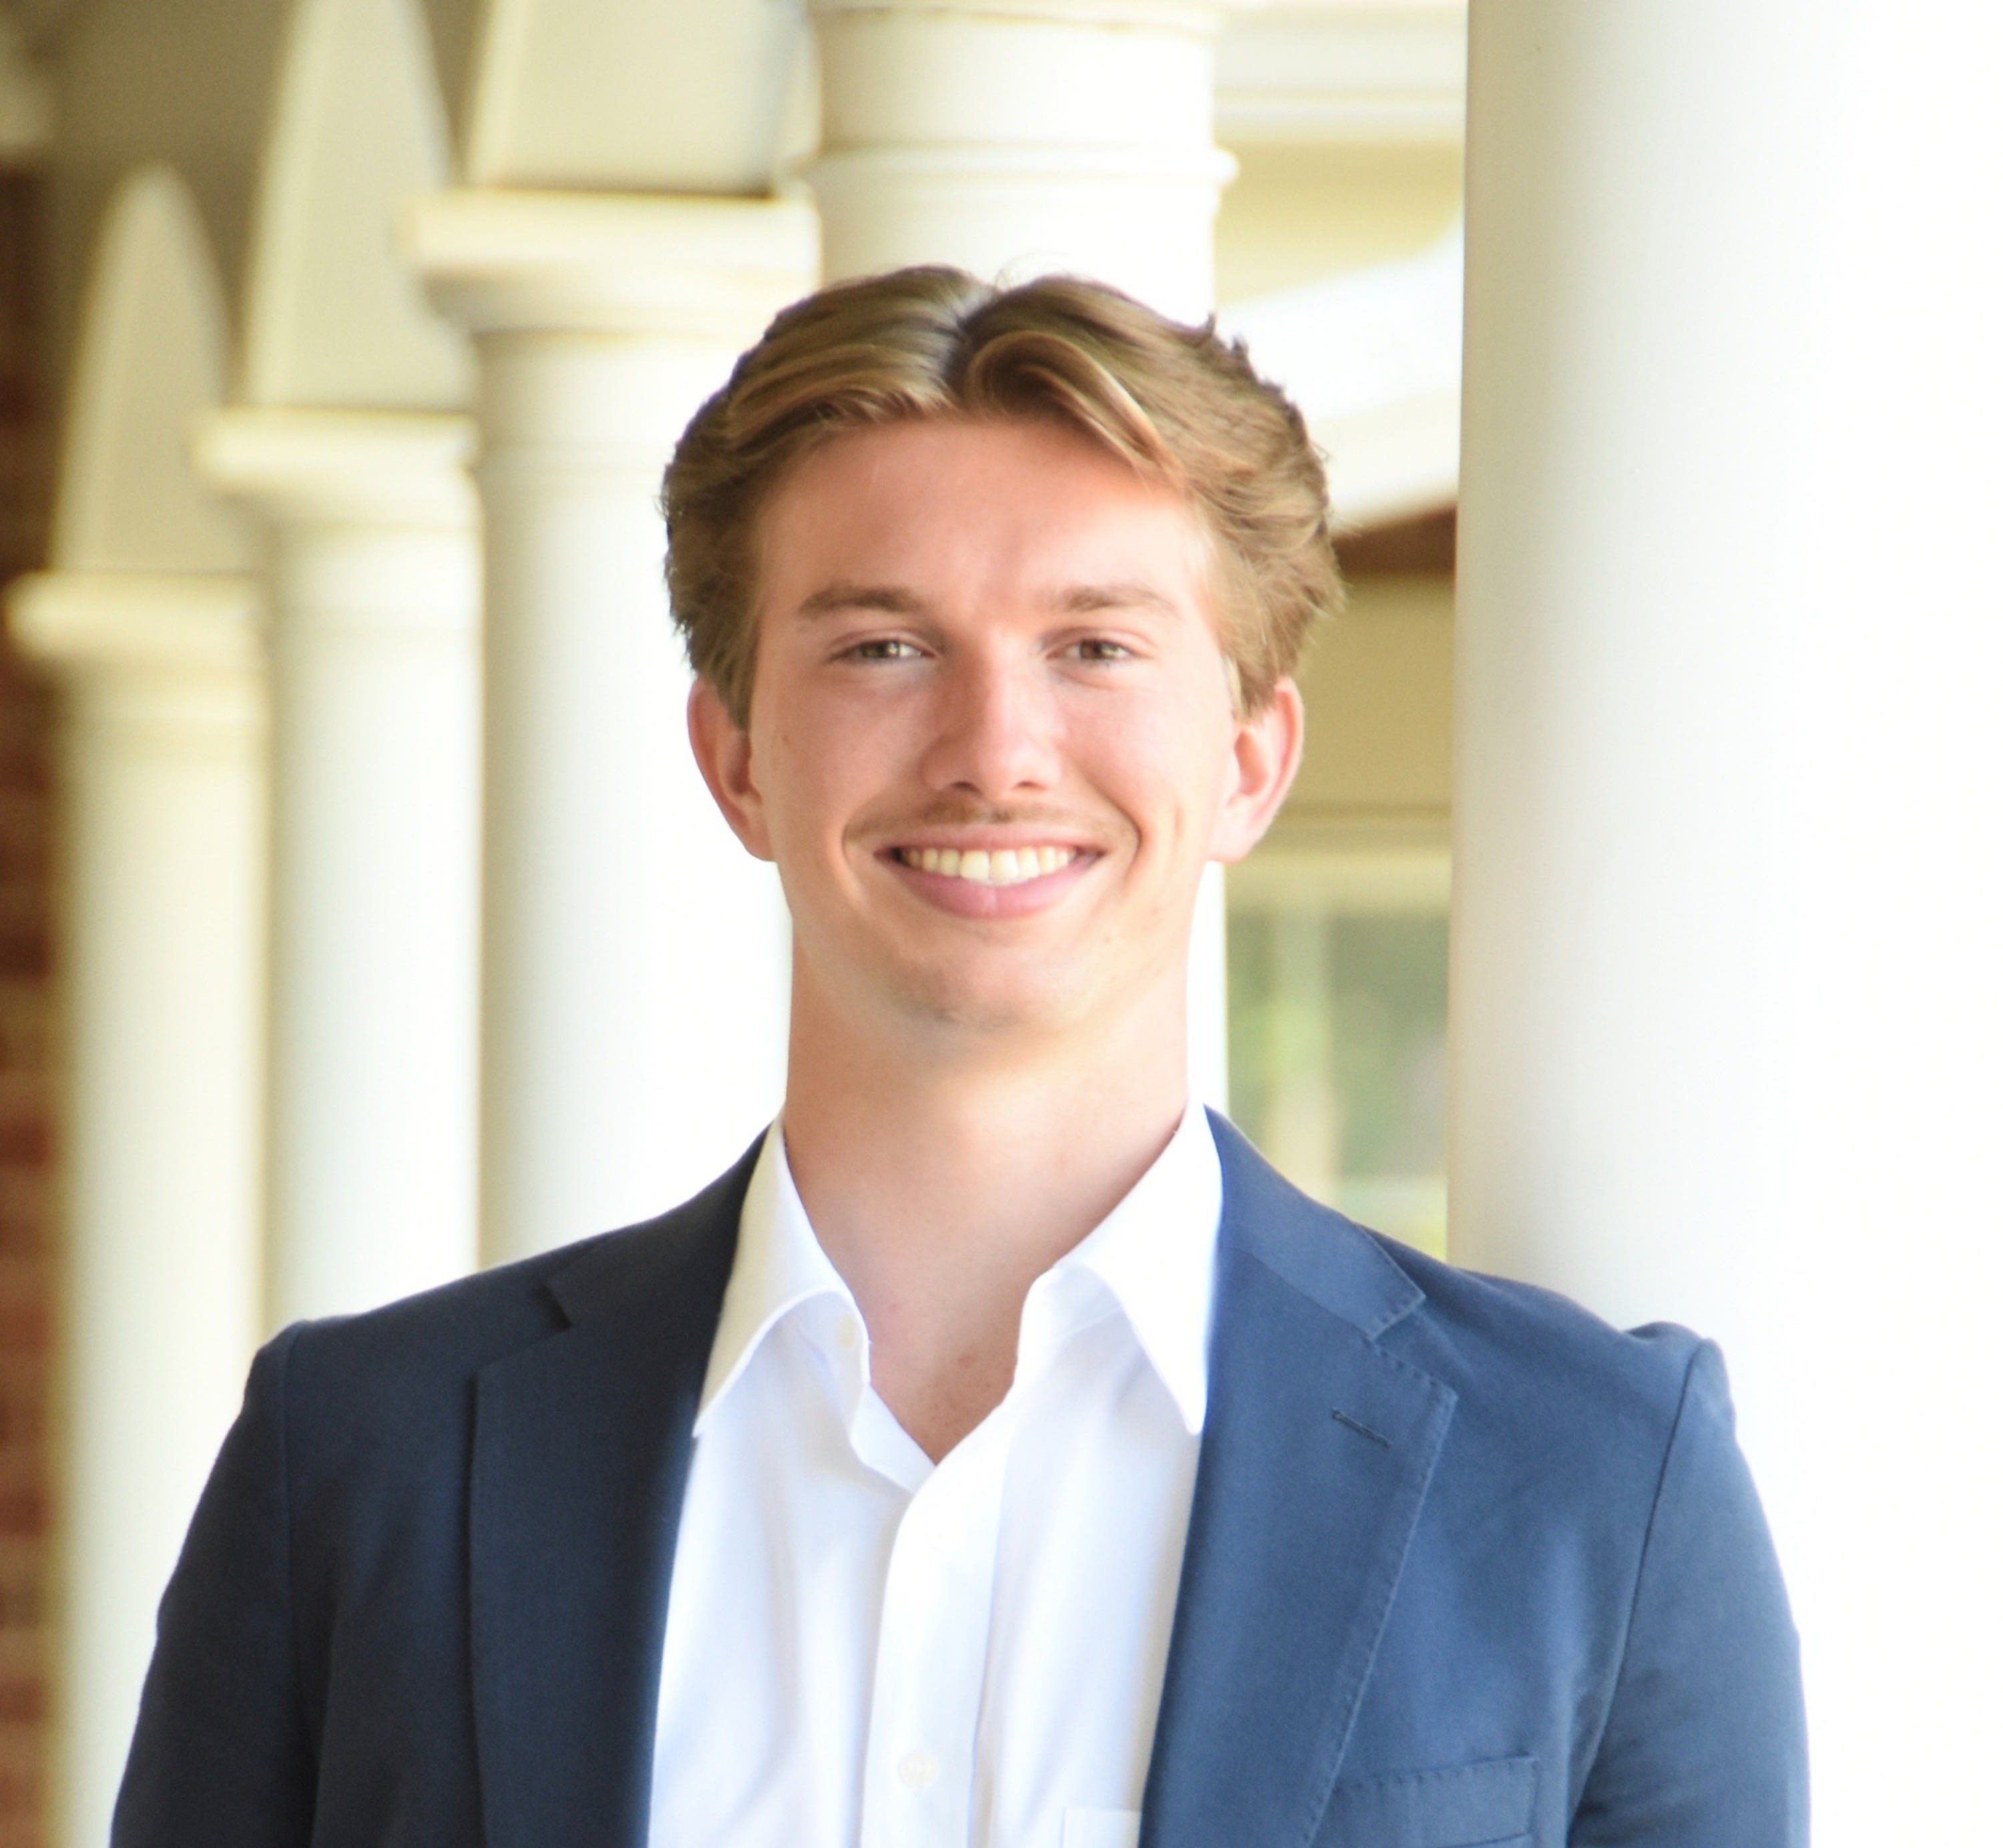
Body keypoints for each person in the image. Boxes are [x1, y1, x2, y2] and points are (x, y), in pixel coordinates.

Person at [114, 268, 1807, 1848]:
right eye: (883, 646)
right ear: (737, 756)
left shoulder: (1593, 1479)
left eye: (1096, 647)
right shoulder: (360, 1462)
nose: (995, 752)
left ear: (1250, 759)